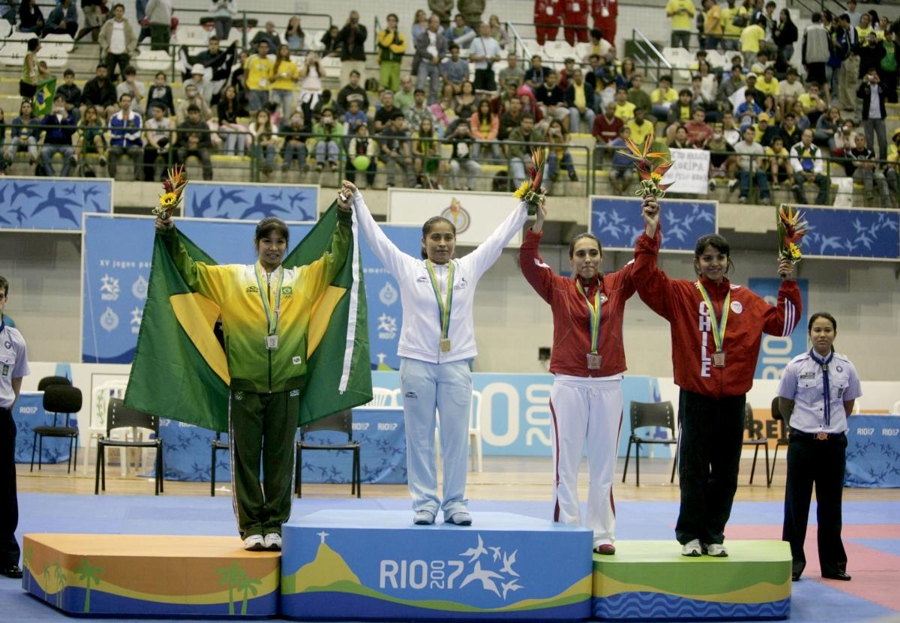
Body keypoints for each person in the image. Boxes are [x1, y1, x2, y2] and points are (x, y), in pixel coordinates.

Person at [154, 192, 353, 551]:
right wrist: (169, 232)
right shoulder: (231, 278)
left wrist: (342, 215)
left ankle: (274, 525)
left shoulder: (303, 279)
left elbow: (336, 257)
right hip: (244, 385)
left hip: (288, 386)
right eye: (267, 241)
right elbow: (190, 271)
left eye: (280, 242)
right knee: (245, 461)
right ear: (256, 244)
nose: (274, 248)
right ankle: (251, 529)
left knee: (280, 461)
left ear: (287, 246)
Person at [346, 179, 528, 526]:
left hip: (457, 364)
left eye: (448, 238)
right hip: (416, 364)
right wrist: (359, 201)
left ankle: (456, 503)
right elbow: (376, 240)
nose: (442, 243)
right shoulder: (408, 268)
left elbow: (498, 239)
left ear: (455, 242)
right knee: (419, 438)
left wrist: (524, 208)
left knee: (456, 438)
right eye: (436, 238)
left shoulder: (468, 268)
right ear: (424, 243)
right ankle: (425, 504)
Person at [634, 196, 801, 558]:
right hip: (695, 397)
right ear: (697, 263)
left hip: (732, 400)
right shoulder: (680, 294)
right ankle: (689, 535)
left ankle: (714, 535)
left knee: (726, 474)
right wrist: (651, 232)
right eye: (707, 258)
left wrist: (788, 282)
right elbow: (644, 279)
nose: (714, 263)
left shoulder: (748, 300)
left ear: (728, 262)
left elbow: (784, 325)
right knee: (694, 470)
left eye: (719, 258)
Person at [519, 200, 636, 554]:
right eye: (581, 253)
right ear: (570, 260)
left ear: (602, 258)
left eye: (593, 253)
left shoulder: (617, 286)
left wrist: (650, 229)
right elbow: (527, 263)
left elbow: (644, 264)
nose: (587, 259)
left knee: (604, 466)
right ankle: (568, 529)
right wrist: (537, 223)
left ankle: (602, 533)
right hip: (569, 382)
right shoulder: (556, 287)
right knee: (564, 464)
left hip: (608, 383)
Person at [778, 312, 861, 582]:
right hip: (803, 444)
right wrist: (802, 427)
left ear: (834, 333)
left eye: (827, 330)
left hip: (834, 446)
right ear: (810, 334)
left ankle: (833, 565)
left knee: (831, 507)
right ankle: (792, 564)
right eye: (817, 330)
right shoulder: (795, 366)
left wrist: (830, 429)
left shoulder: (846, 367)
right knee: (796, 506)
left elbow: (847, 404)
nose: (822, 335)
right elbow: (784, 403)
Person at [0, 275, 28, 580]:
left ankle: (7, 556)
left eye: (0, 296)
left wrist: (9, 404)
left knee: (5, 490)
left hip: (1, 419)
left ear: (5, 300)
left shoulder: (15, 340)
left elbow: (17, 378)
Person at [39, 94, 77, 177]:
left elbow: (73, 130)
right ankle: (51, 176)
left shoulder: (69, 117)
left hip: (65, 144)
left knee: (71, 152)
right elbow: (41, 126)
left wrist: (66, 119)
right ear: (54, 103)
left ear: (65, 104)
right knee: (44, 151)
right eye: (57, 101)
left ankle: (62, 177)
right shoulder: (49, 116)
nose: (60, 103)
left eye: (62, 101)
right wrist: (50, 115)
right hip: (50, 143)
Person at [99, 4, 137, 83]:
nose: (119, 13)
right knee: (107, 76)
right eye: (117, 11)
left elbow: (134, 39)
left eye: (121, 11)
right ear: (114, 12)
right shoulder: (108, 23)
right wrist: (106, 47)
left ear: (123, 12)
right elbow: (101, 37)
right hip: (110, 53)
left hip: (124, 53)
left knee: (125, 76)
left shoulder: (127, 24)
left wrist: (128, 49)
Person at [469, 22, 502, 92]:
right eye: (483, 27)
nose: (485, 29)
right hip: (479, 69)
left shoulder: (495, 42)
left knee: (490, 91)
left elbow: (499, 57)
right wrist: (480, 58)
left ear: (490, 29)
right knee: (478, 90)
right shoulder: (475, 41)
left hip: (490, 69)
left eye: (487, 27)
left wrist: (492, 58)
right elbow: (471, 57)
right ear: (480, 29)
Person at [378, 13, 407, 94]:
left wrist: (392, 47)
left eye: (393, 20)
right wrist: (391, 34)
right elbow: (384, 44)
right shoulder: (382, 33)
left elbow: (403, 48)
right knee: (383, 84)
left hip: (396, 62)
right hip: (385, 61)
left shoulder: (401, 35)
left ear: (396, 22)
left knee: (394, 86)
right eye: (389, 20)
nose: (391, 22)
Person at [337, 10, 368, 86]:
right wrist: (346, 26)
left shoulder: (362, 28)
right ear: (349, 18)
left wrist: (357, 29)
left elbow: (362, 39)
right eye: (352, 18)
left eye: (355, 18)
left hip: (358, 59)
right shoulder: (345, 28)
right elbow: (338, 38)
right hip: (347, 58)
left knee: (360, 82)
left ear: (358, 18)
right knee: (345, 80)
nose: (354, 20)